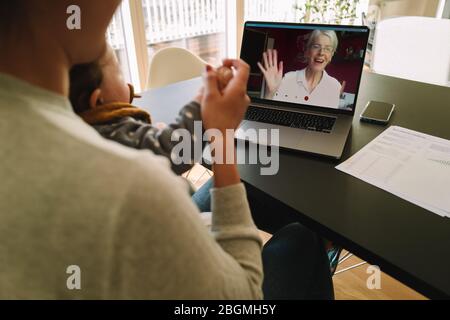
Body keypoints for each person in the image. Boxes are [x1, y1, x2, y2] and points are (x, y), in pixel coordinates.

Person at [0, 0, 333, 299]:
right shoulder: (131, 182)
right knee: (303, 237)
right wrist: (221, 138)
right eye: (116, 67)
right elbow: (242, 296)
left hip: (168, 232)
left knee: (245, 190)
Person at [69, 44, 205, 176]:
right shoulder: (114, 132)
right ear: (99, 100)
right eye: (121, 75)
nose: (128, 82)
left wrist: (153, 136)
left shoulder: (81, 128)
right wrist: (201, 103)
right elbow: (177, 152)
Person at [258, 30, 342, 108]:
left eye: (327, 49)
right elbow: (272, 112)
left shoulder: (335, 86)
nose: (321, 53)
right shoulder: (288, 78)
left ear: (331, 55)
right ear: (307, 51)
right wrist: (270, 93)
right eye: (316, 46)